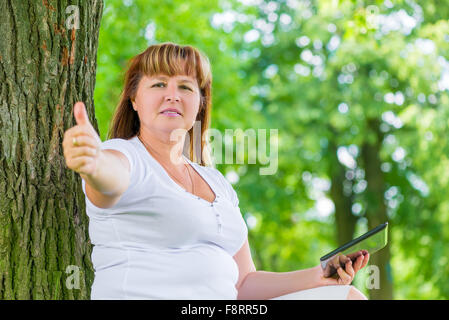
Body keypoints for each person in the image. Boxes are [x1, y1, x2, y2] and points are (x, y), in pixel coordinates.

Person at [62, 42, 369, 300]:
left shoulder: (216, 182)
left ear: (200, 103)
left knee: (347, 297)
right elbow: (110, 180)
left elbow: (244, 282)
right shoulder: (125, 156)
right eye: (158, 84)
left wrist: (320, 276)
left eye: (185, 86)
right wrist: (93, 162)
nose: (173, 95)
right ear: (134, 99)